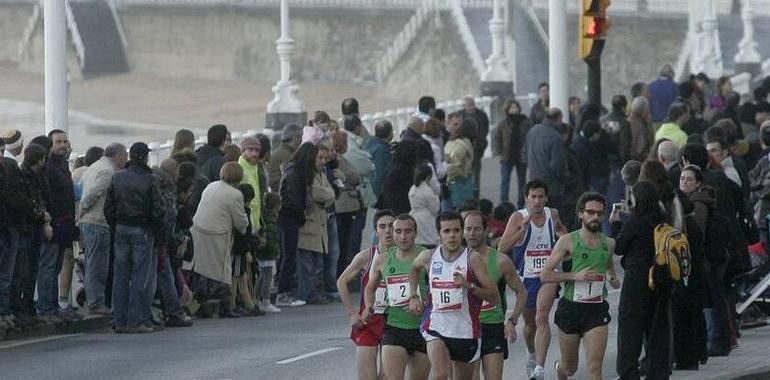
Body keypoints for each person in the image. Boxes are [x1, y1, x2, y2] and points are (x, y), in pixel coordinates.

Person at [407, 211, 500, 380]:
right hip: (435, 326)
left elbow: (494, 296)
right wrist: (414, 296)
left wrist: (468, 286)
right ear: (439, 234)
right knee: (440, 374)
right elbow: (413, 269)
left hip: (465, 331)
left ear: (462, 232)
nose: (452, 236)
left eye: (456, 230)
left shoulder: (473, 259)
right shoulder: (428, 257)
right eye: (447, 231)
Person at [540, 192, 620, 380]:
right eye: (590, 212)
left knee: (594, 368)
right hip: (571, 310)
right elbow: (545, 274)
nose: (595, 217)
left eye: (599, 213)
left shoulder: (608, 243)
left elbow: (607, 262)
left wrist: (612, 276)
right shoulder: (568, 241)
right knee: (570, 368)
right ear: (580, 214)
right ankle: (561, 368)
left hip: (597, 310)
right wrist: (575, 275)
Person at [497, 180, 568, 379]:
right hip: (526, 277)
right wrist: (522, 231)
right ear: (526, 198)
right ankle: (531, 353)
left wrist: (565, 242)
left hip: (548, 275)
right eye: (533, 197)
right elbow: (502, 248)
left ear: (546, 198)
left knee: (542, 317)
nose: (537, 201)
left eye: (540, 197)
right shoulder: (518, 217)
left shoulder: (552, 215)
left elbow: (563, 231)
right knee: (530, 326)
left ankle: (539, 368)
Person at [610, 181, 672, 380]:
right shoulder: (662, 220)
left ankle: (629, 373)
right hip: (661, 280)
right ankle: (659, 373)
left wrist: (616, 223)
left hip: (637, 282)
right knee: (656, 329)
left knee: (630, 328)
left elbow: (619, 248)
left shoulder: (635, 222)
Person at [105, 142, 166, 333]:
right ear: (146, 157)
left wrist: (116, 224)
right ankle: (138, 319)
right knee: (140, 276)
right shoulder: (150, 179)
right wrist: (157, 232)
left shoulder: (118, 177)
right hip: (142, 229)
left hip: (122, 227)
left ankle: (119, 319)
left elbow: (109, 207)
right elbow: (159, 210)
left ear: (130, 156)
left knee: (120, 276)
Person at [363, 214, 429, 380]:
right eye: (398, 231)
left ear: (415, 233)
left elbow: (439, 287)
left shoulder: (427, 257)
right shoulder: (382, 260)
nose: (403, 236)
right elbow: (369, 288)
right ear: (393, 234)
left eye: (408, 231)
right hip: (394, 328)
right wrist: (369, 307)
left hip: (423, 329)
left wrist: (425, 303)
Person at [463, 211, 527, 380]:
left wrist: (512, 320)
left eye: (477, 229)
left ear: (486, 231)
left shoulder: (500, 261)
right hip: (466, 328)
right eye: (468, 229)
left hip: (492, 327)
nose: (472, 233)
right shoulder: (456, 260)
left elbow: (521, 292)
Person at [337, 210, 396, 380]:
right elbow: (341, 282)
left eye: (391, 226)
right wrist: (352, 313)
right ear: (376, 231)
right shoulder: (366, 256)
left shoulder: (405, 256)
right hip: (368, 321)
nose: (387, 230)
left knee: (388, 376)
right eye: (382, 226)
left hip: (394, 321)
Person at [189, 162, 249, 317]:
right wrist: (246, 225)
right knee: (222, 270)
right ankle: (226, 305)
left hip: (197, 230)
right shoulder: (236, 195)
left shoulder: (211, 186)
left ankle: (198, 304)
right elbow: (240, 222)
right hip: (217, 234)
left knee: (200, 270)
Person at [79, 143, 128, 315]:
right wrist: (83, 208)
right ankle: (96, 302)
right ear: (119, 156)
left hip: (89, 222)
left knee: (93, 263)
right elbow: (93, 193)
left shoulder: (94, 167)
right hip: (98, 222)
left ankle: (94, 299)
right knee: (97, 266)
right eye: (125, 157)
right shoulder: (108, 172)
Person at [38, 130, 78, 321]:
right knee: (48, 266)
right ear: (50, 145)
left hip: (64, 226)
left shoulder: (61, 166)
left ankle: (53, 307)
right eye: (58, 142)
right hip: (53, 226)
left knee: (55, 268)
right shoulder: (48, 168)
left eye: (65, 141)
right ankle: (46, 308)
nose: (62, 145)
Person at [296, 144, 336, 304]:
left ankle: (313, 292)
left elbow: (330, 193)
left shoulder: (321, 173)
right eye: (320, 158)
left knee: (317, 262)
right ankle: (306, 294)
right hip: (309, 223)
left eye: (325, 158)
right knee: (306, 264)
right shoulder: (307, 174)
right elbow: (320, 192)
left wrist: (328, 193)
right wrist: (328, 193)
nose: (323, 161)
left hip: (319, 223)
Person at [526, 108, 568, 222]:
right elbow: (558, 165)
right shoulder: (555, 137)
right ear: (559, 118)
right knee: (554, 220)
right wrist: (565, 179)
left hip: (534, 182)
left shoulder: (533, 131)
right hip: (552, 187)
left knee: (537, 219)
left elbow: (524, 154)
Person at [494, 99, 531, 205]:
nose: (514, 110)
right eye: (512, 108)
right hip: (507, 156)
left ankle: (521, 203)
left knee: (522, 181)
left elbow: (529, 137)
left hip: (521, 155)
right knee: (505, 180)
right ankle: (504, 203)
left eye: (516, 107)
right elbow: (497, 138)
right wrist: (500, 151)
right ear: (507, 110)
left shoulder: (525, 121)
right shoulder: (503, 123)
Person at [459, 97, 489, 198]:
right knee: (463, 176)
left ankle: (475, 198)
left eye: (473, 104)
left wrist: (479, 146)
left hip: (476, 151)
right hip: (462, 151)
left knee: (476, 176)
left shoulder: (482, 115)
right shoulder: (459, 116)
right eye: (469, 105)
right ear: (464, 106)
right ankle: (465, 197)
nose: (472, 107)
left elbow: (484, 132)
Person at [445, 119, 476, 210]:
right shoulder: (464, 144)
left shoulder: (451, 142)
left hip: (452, 179)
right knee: (464, 207)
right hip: (460, 178)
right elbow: (457, 165)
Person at [409, 163, 440, 249]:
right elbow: (435, 208)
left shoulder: (413, 188)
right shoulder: (427, 190)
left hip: (414, 217)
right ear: (428, 177)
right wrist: (436, 197)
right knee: (429, 240)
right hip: (426, 218)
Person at [268, 123, 302, 193]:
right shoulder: (290, 157)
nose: (301, 141)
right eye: (300, 138)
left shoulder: (278, 154)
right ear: (295, 138)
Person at [367, 120, 394, 199]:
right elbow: (381, 175)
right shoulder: (381, 150)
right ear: (390, 133)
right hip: (381, 194)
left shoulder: (371, 145)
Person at [628, 97, 655, 162]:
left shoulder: (629, 121)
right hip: (638, 162)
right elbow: (640, 149)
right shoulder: (640, 126)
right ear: (645, 110)